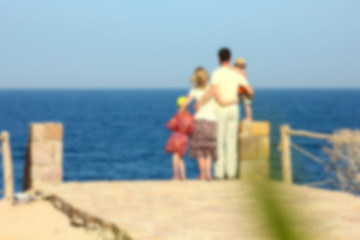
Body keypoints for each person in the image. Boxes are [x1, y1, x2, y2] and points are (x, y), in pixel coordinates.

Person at [195, 48, 254, 179]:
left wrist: (200, 103)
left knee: (219, 142)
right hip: (234, 110)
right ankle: (231, 173)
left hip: (220, 111)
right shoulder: (237, 74)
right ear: (230, 58)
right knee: (231, 142)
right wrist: (244, 97)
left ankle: (219, 173)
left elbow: (212, 90)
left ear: (219, 59)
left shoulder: (217, 73)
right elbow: (250, 91)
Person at [179, 67, 236, 180]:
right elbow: (222, 102)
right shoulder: (212, 89)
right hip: (211, 122)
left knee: (200, 150)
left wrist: (181, 113)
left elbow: (185, 104)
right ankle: (209, 174)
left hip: (199, 122)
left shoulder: (194, 90)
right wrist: (234, 100)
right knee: (209, 149)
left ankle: (202, 174)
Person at [165, 96, 194, 180]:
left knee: (175, 156)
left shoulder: (178, 115)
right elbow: (191, 129)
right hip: (185, 138)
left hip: (176, 137)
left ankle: (175, 175)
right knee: (181, 157)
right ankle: (183, 175)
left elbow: (170, 125)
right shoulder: (190, 116)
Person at [234, 58, 252, 122]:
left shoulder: (241, 72)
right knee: (244, 104)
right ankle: (248, 117)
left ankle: (248, 117)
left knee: (246, 104)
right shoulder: (241, 72)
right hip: (240, 90)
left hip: (244, 91)